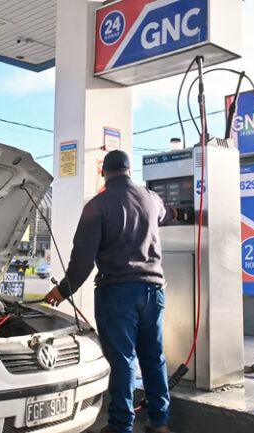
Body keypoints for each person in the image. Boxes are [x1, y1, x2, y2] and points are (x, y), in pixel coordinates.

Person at [44, 150, 179, 433]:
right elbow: (168, 214)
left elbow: (82, 259)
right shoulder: (152, 199)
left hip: (118, 293)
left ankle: (120, 425)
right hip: (154, 291)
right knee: (154, 357)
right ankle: (160, 422)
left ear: (103, 172)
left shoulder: (99, 204)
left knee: (123, 360)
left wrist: (63, 290)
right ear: (129, 171)